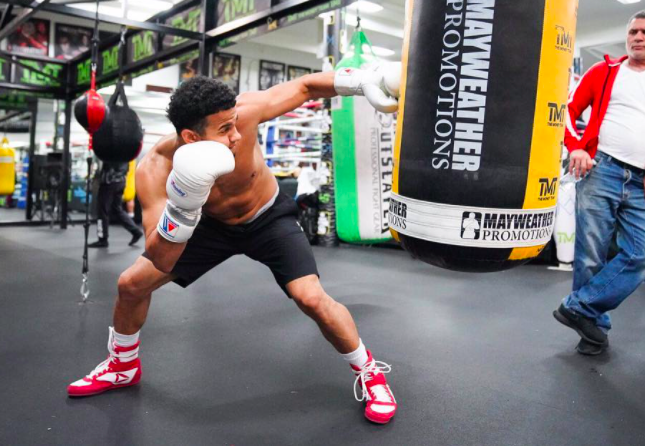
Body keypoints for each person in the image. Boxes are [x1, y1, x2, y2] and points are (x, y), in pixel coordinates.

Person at [68, 66, 401, 425]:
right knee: (131, 284)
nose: (237, 135)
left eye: (235, 123)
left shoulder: (246, 112)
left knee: (311, 297)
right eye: (225, 129)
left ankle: (370, 372)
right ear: (191, 138)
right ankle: (123, 364)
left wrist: (358, 81)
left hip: (268, 217)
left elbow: (304, 87)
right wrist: (183, 207)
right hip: (207, 226)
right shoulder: (155, 168)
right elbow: (160, 257)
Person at [554, 10, 645, 355]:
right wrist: (576, 148)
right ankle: (593, 330)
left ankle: (579, 307)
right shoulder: (604, 71)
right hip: (600, 169)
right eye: (633, 31)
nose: (637, 37)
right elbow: (566, 112)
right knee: (590, 255)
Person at [89, 161, 144, 248]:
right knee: (117, 209)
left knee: (102, 210)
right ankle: (135, 231)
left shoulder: (112, 151)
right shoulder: (125, 152)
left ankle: (102, 239)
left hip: (109, 181)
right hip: (121, 181)